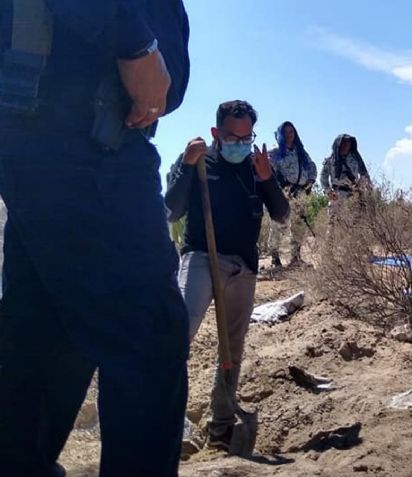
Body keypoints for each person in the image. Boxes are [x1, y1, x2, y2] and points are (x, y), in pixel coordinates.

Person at [0, 2, 191, 476]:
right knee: (149, 338)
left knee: (46, 335)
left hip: (58, 137)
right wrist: (133, 39)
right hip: (83, 137)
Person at [164, 100, 289, 451]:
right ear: (216, 133)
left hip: (244, 267)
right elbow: (171, 211)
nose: (241, 144)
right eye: (233, 138)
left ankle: (221, 426)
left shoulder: (256, 166)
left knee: (232, 347)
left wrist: (267, 179)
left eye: (247, 138)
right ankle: (164, 421)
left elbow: (281, 215)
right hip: (202, 258)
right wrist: (187, 166)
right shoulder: (198, 161)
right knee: (178, 333)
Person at [268, 121, 317, 268]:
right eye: (286, 132)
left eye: (291, 132)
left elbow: (312, 166)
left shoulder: (301, 152)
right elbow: (269, 170)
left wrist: (310, 181)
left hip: (300, 193)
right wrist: (281, 186)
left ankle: (296, 256)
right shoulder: (275, 153)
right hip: (281, 194)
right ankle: (275, 258)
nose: (289, 135)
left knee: (298, 225)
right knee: (278, 224)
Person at [319, 133, 371, 205]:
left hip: (354, 195)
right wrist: (328, 192)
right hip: (337, 196)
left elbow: (364, 175)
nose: (346, 144)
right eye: (344, 142)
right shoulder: (330, 161)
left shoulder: (356, 160)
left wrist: (359, 187)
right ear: (339, 143)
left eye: (348, 142)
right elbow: (323, 176)